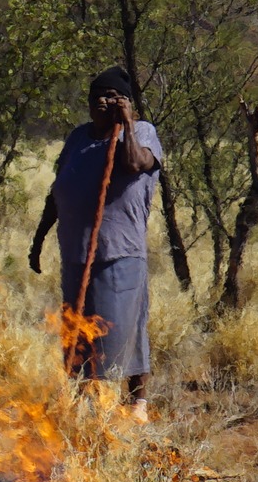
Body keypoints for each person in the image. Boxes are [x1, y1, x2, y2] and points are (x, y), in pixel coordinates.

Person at [28, 66, 164, 419]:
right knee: (77, 330)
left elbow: (135, 164)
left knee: (123, 328)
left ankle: (136, 403)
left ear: (126, 102)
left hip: (119, 253)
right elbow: (58, 191)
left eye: (111, 96)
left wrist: (128, 125)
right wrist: (40, 236)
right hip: (76, 253)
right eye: (96, 97)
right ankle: (83, 401)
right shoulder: (78, 138)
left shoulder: (142, 133)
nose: (102, 102)